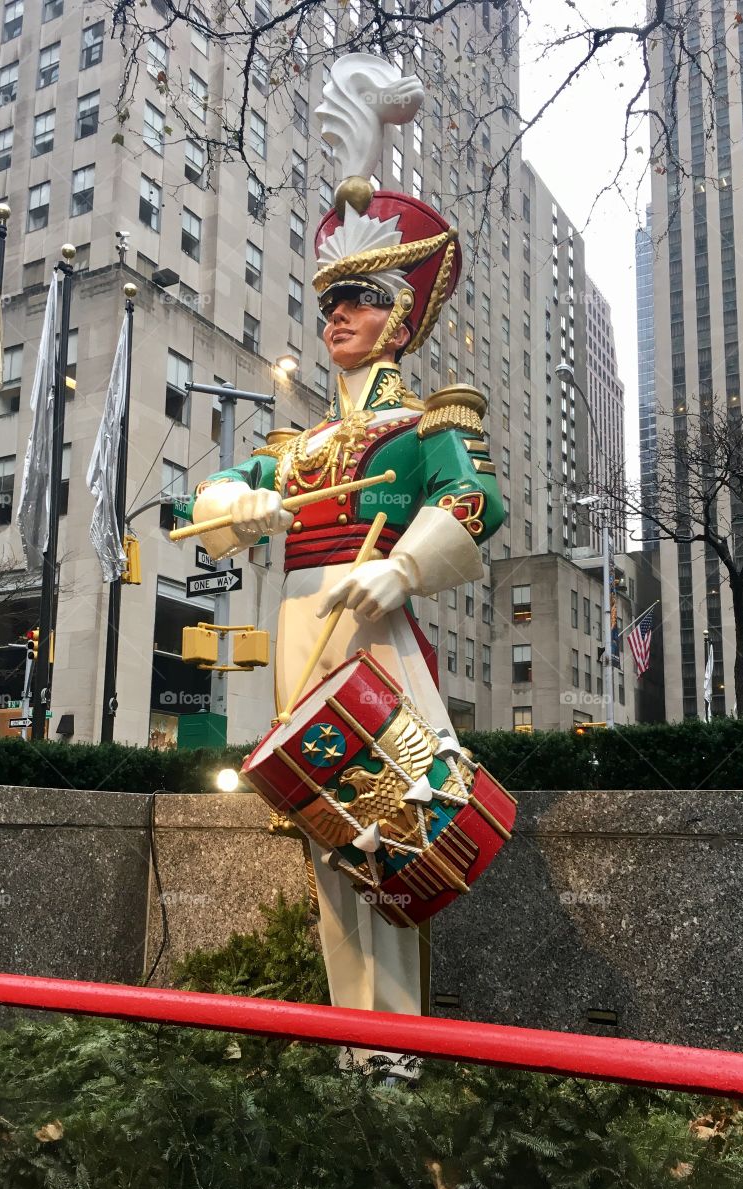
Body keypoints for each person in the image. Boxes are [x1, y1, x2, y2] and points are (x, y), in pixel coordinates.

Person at [190, 61, 506, 1071]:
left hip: (377, 640)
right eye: (329, 299)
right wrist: (240, 501)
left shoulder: (426, 422)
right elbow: (212, 498)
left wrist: (405, 568)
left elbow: (476, 502)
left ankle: (395, 1052)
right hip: (300, 641)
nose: (337, 316)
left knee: (394, 838)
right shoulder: (296, 446)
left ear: (402, 317)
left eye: (360, 299)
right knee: (332, 842)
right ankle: (352, 1047)